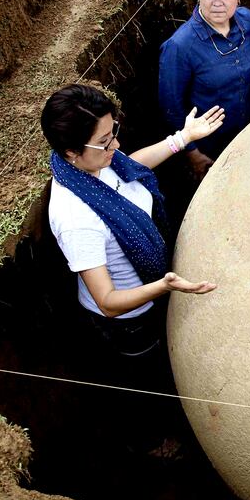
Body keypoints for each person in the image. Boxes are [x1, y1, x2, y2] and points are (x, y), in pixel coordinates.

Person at [41, 83, 224, 356]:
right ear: (71, 151)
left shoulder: (96, 161)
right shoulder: (76, 219)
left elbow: (129, 169)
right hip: (131, 321)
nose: (115, 144)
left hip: (154, 284)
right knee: (151, 354)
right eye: (104, 141)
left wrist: (183, 137)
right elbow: (107, 302)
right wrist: (163, 286)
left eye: (113, 132)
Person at [159, 0, 250, 181]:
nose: (217, 3)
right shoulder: (180, 47)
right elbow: (171, 107)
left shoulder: (248, 22)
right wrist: (192, 153)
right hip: (211, 147)